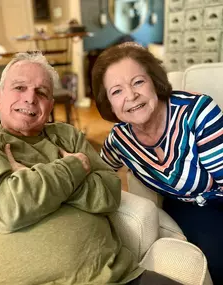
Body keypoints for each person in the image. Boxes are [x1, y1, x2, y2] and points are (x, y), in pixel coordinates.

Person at [0, 52, 181, 285]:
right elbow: (8, 207)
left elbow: (109, 193)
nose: (29, 98)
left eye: (41, 92)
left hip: (116, 276)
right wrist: (74, 167)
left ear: (50, 105)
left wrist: (35, 184)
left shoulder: (66, 135)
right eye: (19, 87)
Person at [91, 42, 223, 285]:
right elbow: (99, 176)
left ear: (154, 81)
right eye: (116, 91)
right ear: (108, 103)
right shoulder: (120, 139)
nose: (131, 96)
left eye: (138, 82)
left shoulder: (198, 112)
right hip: (188, 207)